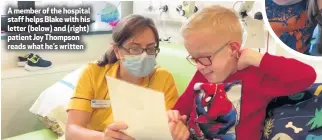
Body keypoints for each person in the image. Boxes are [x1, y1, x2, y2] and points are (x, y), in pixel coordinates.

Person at [167, 5, 317, 140]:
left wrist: (257, 58)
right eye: (194, 58)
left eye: (204, 58)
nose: (199, 66)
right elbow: (179, 111)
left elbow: (307, 76)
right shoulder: (203, 73)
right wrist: (174, 120)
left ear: (233, 48)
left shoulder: (256, 76)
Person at [65, 14, 189, 140]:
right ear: (117, 51)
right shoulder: (93, 73)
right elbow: (72, 130)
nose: (144, 55)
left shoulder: (163, 78)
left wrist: (175, 127)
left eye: (151, 48)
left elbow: (167, 128)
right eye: (135, 49)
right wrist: (104, 137)